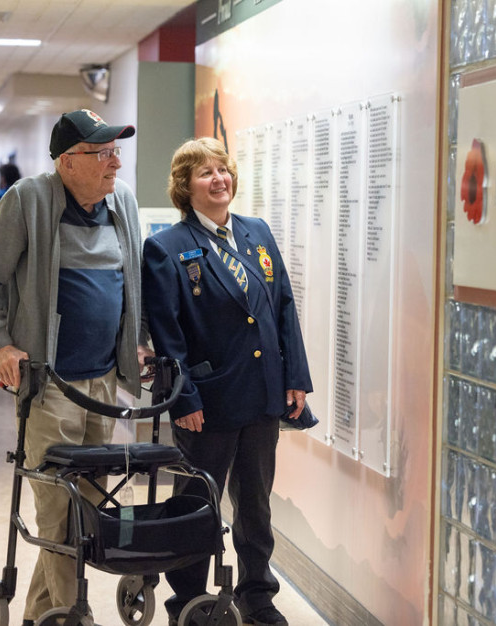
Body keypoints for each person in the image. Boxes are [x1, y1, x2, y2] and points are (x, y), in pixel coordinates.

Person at [0, 109, 151, 626]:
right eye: (103, 153)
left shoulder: (123, 201)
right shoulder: (28, 200)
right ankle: (75, 615)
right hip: (49, 386)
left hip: (104, 385)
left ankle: (40, 617)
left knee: (87, 512)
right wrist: (0, 343)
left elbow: (133, 282)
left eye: (116, 151)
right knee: (57, 511)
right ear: (68, 162)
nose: (115, 162)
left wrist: (140, 342)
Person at [141, 137, 312, 626]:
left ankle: (257, 596)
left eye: (223, 170)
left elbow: (283, 308)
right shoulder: (166, 248)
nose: (219, 179)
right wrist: (183, 397)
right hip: (207, 400)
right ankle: (188, 601)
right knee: (198, 503)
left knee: (255, 503)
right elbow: (167, 331)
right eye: (205, 173)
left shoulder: (257, 233)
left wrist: (294, 377)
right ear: (184, 187)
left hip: (262, 393)